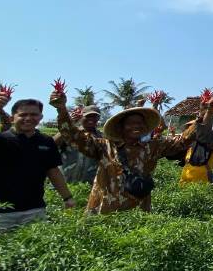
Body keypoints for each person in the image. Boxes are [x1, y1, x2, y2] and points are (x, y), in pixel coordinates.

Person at [51, 89, 193, 215]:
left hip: (138, 212)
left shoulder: (153, 147)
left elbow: (184, 141)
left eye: (140, 123)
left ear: (145, 127)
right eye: (131, 123)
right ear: (121, 127)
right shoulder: (104, 146)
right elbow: (73, 136)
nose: (136, 126)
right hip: (104, 211)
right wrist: (62, 109)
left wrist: (205, 115)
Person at [0, 93, 75, 230]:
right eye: (23, 115)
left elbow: (53, 171)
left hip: (34, 209)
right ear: (12, 118)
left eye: (34, 115)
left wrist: (67, 198)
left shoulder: (46, 141)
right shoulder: (0, 139)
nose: (28, 118)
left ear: (41, 117)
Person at [54, 105, 103, 184]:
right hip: (63, 183)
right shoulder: (71, 132)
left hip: (87, 186)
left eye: (95, 117)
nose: (91, 119)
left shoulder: (101, 137)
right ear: (82, 116)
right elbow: (52, 144)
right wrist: (70, 124)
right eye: (88, 116)